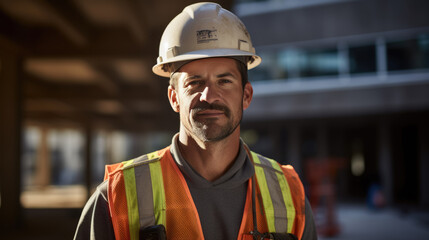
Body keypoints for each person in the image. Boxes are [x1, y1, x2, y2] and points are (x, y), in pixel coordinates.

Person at [74, 2, 317, 240]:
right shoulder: (117, 197)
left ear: (246, 95)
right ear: (174, 98)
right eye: (194, 83)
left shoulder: (290, 196)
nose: (209, 96)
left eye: (224, 81)